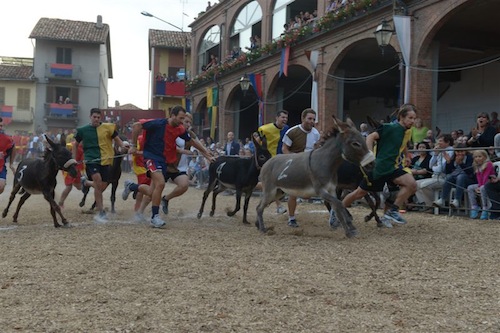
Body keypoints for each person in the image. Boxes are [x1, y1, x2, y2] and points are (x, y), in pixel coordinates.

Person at [122, 106, 213, 228]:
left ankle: (131, 186)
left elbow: (192, 141)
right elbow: (137, 125)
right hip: (151, 157)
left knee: (151, 191)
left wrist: (206, 153)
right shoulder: (158, 123)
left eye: (184, 119)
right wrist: (133, 145)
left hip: (163, 161)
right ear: (172, 115)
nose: (182, 121)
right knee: (160, 183)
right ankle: (155, 217)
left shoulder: (179, 129)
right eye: (180, 118)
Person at [342, 104, 418, 227]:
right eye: (410, 118)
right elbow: (370, 137)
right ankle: (337, 211)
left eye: (414, 118)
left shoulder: (406, 131)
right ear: (401, 117)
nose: (413, 121)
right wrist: (370, 155)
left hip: (392, 168)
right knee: (359, 193)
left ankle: (393, 211)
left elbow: (401, 144)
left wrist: (407, 155)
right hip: (378, 168)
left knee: (412, 185)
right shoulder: (390, 127)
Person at [73, 108, 129, 224]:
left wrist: (123, 146)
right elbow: (75, 144)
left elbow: (117, 140)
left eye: (98, 117)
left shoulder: (108, 128)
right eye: (94, 117)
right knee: (98, 182)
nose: (96, 119)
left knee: (102, 186)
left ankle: (86, 182)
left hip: (106, 160)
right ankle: (101, 212)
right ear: (90, 117)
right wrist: (74, 159)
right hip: (91, 159)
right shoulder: (82, 130)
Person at [160, 112, 212, 215]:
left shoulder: (190, 134)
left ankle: (165, 199)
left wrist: (209, 156)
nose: (188, 124)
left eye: (190, 122)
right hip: (167, 164)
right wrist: (182, 151)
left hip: (180, 167)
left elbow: (199, 146)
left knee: (184, 185)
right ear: (180, 121)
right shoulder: (172, 130)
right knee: (154, 190)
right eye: (186, 121)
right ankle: (138, 204)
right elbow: (168, 145)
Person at [282, 108, 321, 227]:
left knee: (314, 191)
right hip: (295, 165)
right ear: (303, 118)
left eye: (313, 119)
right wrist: (294, 159)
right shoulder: (292, 132)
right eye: (309, 118)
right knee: (293, 193)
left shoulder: (316, 134)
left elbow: (317, 150)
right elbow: (284, 149)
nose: (312, 121)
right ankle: (292, 218)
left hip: (310, 166)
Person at [258, 110, 290, 214]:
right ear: (277, 118)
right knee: (272, 183)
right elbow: (257, 142)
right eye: (283, 117)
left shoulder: (287, 129)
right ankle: (278, 205)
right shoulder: (265, 129)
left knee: (279, 184)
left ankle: (267, 197)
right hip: (269, 161)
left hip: (281, 161)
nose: (284, 119)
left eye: (286, 117)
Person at [414, 134, 454, 210]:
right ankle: (426, 204)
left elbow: (440, 168)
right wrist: (435, 154)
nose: (438, 143)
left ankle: (431, 206)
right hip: (435, 176)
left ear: (447, 142)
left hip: (444, 178)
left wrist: (433, 167)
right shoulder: (439, 151)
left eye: (441, 141)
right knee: (415, 184)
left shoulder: (450, 151)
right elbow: (430, 165)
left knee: (424, 185)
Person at [432, 143, 475, 209]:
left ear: (465, 151)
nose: (460, 153)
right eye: (458, 151)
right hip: (455, 178)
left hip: (468, 179)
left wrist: (461, 163)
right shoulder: (453, 158)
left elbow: (470, 171)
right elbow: (448, 171)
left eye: (462, 151)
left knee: (461, 177)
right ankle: (442, 199)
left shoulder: (469, 158)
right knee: (449, 177)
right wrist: (448, 162)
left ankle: (457, 200)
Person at [467, 150, 495, 219]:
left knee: (482, 188)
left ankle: (485, 208)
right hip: (482, 184)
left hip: (490, 183)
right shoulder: (477, 166)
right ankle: (474, 206)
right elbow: (478, 177)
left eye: (480, 156)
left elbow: (486, 176)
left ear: (485, 157)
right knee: (470, 187)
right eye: (476, 157)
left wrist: (480, 186)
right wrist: (479, 186)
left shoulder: (488, 164)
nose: (478, 158)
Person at [58, 138, 84, 208]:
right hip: (70, 168)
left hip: (76, 168)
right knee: (69, 186)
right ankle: (60, 203)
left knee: (78, 186)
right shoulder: (71, 145)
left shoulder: (83, 147)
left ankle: (61, 202)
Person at [0, 117, 16, 196]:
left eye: (1, 126)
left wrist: (11, 163)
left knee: (1, 186)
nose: (0, 127)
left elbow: (13, 146)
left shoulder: (6, 138)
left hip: (1, 167)